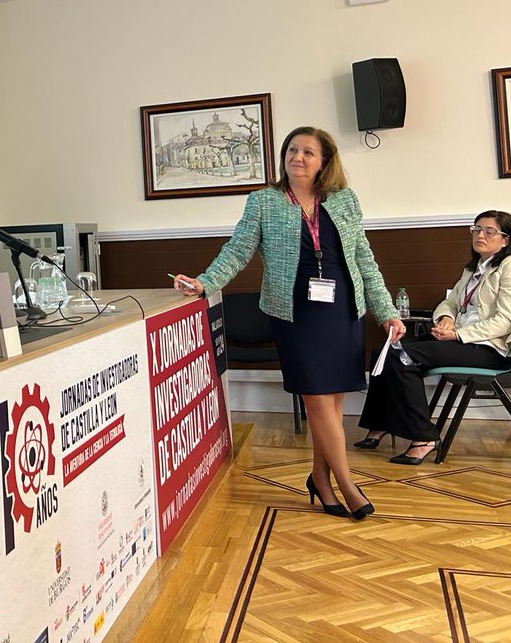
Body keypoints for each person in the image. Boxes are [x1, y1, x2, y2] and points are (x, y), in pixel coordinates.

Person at [173, 126, 403, 520]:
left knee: (331, 402)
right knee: (317, 399)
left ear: (324, 162)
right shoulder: (264, 201)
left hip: (342, 308)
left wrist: (386, 312)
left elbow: (365, 258)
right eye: (292, 150)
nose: (298, 157)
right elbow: (238, 249)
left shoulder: (344, 200)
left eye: (308, 152)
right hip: (295, 312)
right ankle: (347, 484)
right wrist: (205, 282)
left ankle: (320, 479)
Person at [356, 210, 511, 464]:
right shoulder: (473, 269)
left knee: (402, 356)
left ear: (505, 240)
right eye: (476, 229)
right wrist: (446, 320)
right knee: (384, 351)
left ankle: (424, 437)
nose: (480, 235)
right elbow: (449, 302)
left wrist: (458, 334)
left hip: (488, 350)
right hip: (462, 340)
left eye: (488, 231)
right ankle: (380, 425)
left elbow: (504, 322)